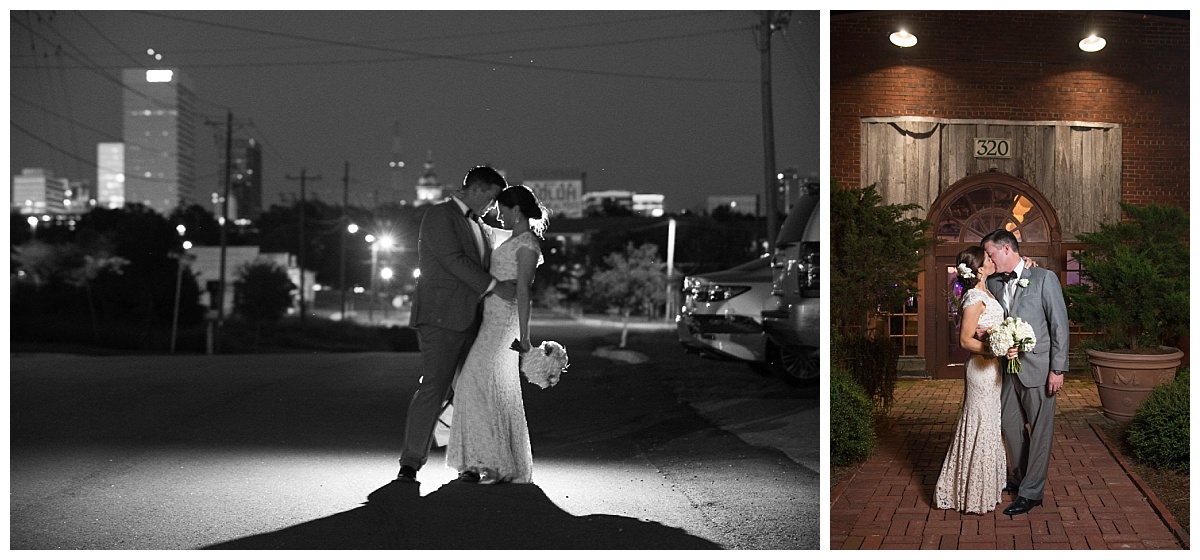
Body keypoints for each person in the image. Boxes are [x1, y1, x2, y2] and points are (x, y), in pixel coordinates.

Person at [397, 165, 516, 483]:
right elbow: (453, 260)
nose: (493, 206)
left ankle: (468, 463)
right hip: (441, 317)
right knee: (435, 388)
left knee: (469, 392)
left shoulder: (480, 225)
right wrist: (494, 286)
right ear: (477, 189)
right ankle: (410, 461)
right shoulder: (440, 216)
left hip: (474, 321)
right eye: (492, 198)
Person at [445, 185, 547, 484]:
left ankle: (483, 461)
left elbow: (524, 291)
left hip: (504, 324)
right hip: (490, 319)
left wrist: (526, 338)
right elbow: (482, 230)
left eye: (502, 209)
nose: (498, 214)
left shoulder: (527, 244)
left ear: (516, 210)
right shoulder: (513, 238)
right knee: (492, 388)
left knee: (471, 383)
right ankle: (486, 462)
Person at [981, 229, 1070, 516]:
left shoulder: (1044, 279)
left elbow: (1059, 326)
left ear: (1006, 249)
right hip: (1008, 370)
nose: (990, 260)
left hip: (1041, 370)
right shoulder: (994, 282)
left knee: (1041, 431)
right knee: (1009, 425)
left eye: (991, 254)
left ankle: (1032, 493)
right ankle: (1020, 478)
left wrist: (1057, 369)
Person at [934, 247, 1015, 514]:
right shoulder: (974, 298)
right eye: (988, 259)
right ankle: (969, 492)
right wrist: (994, 349)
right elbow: (965, 340)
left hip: (992, 369)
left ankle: (986, 487)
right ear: (979, 268)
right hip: (981, 370)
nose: (992, 260)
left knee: (990, 423)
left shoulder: (987, 291)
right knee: (979, 423)